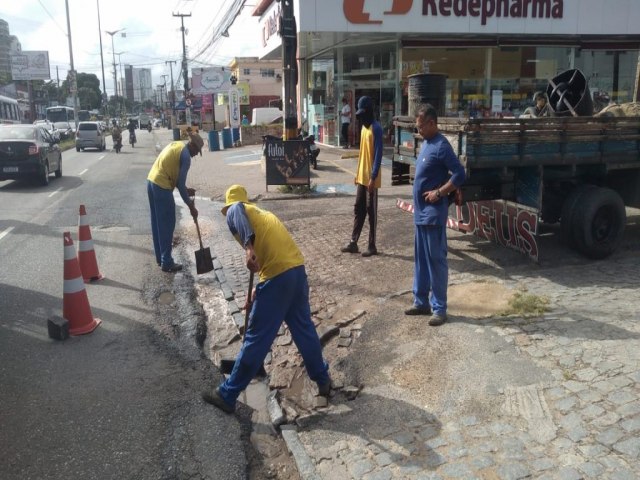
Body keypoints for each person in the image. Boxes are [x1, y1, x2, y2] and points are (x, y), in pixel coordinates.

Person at [202, 185, 331, 414]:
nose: (229, 214)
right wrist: (258, 290)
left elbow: (236, 214)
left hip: (278, 278)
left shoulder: (237, 210)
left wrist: (248, 249)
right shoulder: (264, 215)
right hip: (296, 272)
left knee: (256, 337)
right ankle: (322, 379)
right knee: (304, 330)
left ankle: (228, 394)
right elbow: (272, 256)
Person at [405, 104, 465, 326]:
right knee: (420, 261)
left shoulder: (441, 146)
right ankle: (421, 302)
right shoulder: (427, 143)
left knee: (436, 261)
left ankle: (439, 308)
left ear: (432, 123)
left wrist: (440, 192)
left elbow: (460, 174)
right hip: (420, 215)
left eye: (421, 126)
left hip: (432, 215)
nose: (418, 130)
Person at [146, 132, 203, 272]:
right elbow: (181, 185)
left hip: (151, 182)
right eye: (197, 151)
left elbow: (178, 181)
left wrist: (185, 189)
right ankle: (167, 262)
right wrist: (191, 206)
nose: (196, 154)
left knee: (157, 223)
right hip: (162, 186)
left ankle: (161, 257)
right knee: (167, 224)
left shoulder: (177, 145)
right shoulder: (186, 157)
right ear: (192, 145)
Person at [340, 96, 383, 257]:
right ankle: (354, 242)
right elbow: (362, 154)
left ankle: (372, 245)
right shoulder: (364, 129)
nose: (361, 118)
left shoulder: (376, 129)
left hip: (372, 179)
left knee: (372, 212)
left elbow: (378, 155)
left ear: (369, 112)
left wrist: (373, 177)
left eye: (363, 114)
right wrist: (358, 174)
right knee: (359, 209)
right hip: (362, 178)